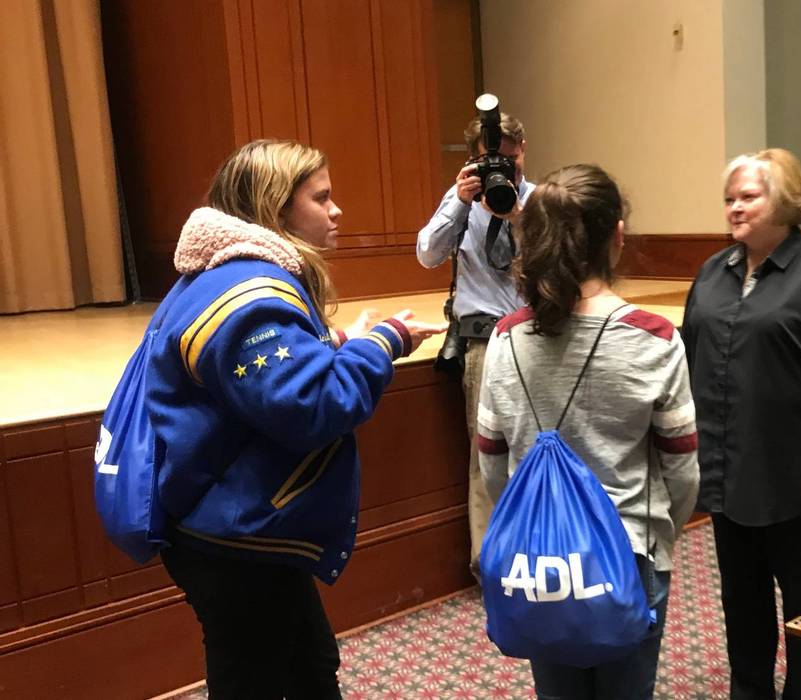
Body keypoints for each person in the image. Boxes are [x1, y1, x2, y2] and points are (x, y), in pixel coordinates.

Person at [146, 139, 445, 698]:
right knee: (257, 681)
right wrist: (382, 343)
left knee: (310, 667)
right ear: (276, 208)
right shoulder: (254, 293)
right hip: (237, 540)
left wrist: (332, 342)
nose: (337, 212)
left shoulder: (219, 274)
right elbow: (314, 408)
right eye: (322, 198)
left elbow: (245, 377)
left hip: (234, 527)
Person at [475, 164, 700, 699]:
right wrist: (664, 533)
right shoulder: (655, 338)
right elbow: (683, 471)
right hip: (630, 555)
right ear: (616, 236)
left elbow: (491, 466)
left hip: (538, 565)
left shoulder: (506, 339)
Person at [681, 148, 801, 700]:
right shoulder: (713, 274)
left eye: (748, 197)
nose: (735, 209)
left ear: (785, 202)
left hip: (798, 482)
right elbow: (690, 364)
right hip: (727, 474)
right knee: (741, 606)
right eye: (729, 199)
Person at [417, 110, 533, 578]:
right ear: (475, 161)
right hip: (483, 342)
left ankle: (537, 549)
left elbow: (552, 260)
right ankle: (491, 566)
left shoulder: (539, 201)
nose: (506, 169)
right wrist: (461, 204)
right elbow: (427, 254)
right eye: (495, 162)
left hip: (533, 336)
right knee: (487, 454)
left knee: (536, 447)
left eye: (513, 159)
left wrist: (519, 216)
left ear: (525, 151)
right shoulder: (460, 199)